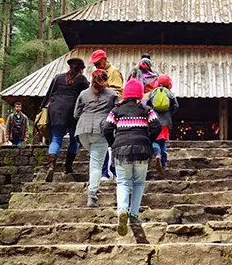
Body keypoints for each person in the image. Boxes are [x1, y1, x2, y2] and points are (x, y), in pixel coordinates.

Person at [103, 79, 161, 236]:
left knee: (122, 182)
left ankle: (122, 210)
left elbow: (107, 128)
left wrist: (113, 143)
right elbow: (157, 126)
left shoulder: (115, 111)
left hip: (121, 149)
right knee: (138, 183)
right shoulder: (146, 109)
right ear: (139, 94)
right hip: (142, 149)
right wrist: (149, 140)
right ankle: (134, 215)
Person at [75, 70, 120, 208]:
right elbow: (117, 113)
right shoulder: (112, 94)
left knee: (94, 159)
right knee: (96, 164)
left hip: (82, 130)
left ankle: (92, 189)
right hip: (101, 130)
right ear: (106, 80)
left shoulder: (83, 94)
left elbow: (76, 113)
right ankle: (92, 196)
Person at [45, 58, 89, 181]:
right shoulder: (81, 79)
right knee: (74, 140)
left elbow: (49, 95)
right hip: (72, 112)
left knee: (56, 139)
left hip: (55, 111)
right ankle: (68, 167)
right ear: (81, 69)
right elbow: (88, 94)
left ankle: (51, 166)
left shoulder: (58, 78)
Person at [145, 75, 175, 172]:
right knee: (163, 141)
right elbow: (176, 106)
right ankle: (164, 162)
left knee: (155, 140)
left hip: (154, 120)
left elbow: (147, 105)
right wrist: (169, 113)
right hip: (165, 121)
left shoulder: (153, 92)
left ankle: (157, 154)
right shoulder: (170, 93)